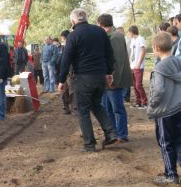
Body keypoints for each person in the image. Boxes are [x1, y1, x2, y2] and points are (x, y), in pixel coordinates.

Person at [57, 9, 118, 152]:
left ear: (73, 21)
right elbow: (109, 54)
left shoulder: (73, 36)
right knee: (96, 105)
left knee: (82, 110)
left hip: (83, 77)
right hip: (100, 76)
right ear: (86, 18)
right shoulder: (100, 32)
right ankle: (111, 133)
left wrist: (61, 80)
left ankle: (89, 144)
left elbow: (66, 59)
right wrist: (108, 73)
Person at [148, 32, 181, 186]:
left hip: (165, 112)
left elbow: (159, 90)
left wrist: (152, 105)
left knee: (165, 143)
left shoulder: (159, 68)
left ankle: (170, 174)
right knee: (178, 140)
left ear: (156, 48)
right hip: (180, 108)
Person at [97, 14, 132, 142]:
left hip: (114, 81)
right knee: (108, 109)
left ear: (101, 24)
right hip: (107, 80)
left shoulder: (115, 37)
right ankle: (113, 134)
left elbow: (118, 61)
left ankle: (122, 135)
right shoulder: (109, 36)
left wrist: (113, 79)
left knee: (117, 109)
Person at [127, 26, 148, 109]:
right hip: (132, 65)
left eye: (129, 32)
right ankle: (138, 102)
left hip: (138, 65)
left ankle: (145, 102)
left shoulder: (140, 39)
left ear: (132, 32)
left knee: (139, 85)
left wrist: (139, 63)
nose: (128, 34)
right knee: (134, 85)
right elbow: (132, 52)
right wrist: (129, 63)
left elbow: (143, 51)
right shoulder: (132, 40)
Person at [58, 30, 74, 114]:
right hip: (65, 72)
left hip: (70, 73)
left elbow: (70, 60)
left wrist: (70, 71)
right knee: (65, 91)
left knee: (72, 91)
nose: (62, 40)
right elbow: (62, 60)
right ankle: (66, 107)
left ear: (64, 37)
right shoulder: (64, 47)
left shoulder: (71, 45)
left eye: (62, 38)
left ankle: (74, 108)